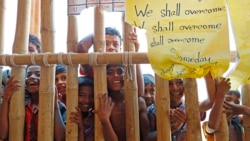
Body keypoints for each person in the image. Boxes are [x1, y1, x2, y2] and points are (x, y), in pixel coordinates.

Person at [0, 65, 66, 140]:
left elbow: (60, 138)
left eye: (38, 74)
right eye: (28, 75)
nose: (31, 77)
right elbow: (3, 135)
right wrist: (5, 99)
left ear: (48, 79)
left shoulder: (59, 107)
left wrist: (55, 105)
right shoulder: (19, 105)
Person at [77, 27, 144, 97]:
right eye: (106, 44)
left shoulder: (125, 67)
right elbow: (81, 47)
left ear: (120, 49)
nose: (111, 47)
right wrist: (98, 33)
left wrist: (135, 53)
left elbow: (139, 93)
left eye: (115, 45)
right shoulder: (94, 65)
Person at [95, 64, 149, 141]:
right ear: (104, 77)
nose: (116, 75)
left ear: (126, 75)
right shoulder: (105, 104)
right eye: (110, 72)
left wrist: (172, 126)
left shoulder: (139, 102)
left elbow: (146, 137)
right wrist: (105, 120)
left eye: (120, 72)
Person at [69, 76, 94, 141]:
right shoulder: (67, 116)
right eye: (82, 95)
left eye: (91, 96)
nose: (87, 100)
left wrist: (81, 127)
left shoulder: (95, 120)